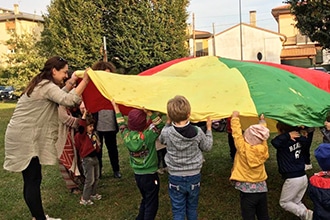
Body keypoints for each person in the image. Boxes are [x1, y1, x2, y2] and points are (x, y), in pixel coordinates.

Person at [3, 56, 90, 220]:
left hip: (21, 135)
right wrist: (84, 81)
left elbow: (59, 96)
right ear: (54, 71)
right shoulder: (46, 86)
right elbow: (68, 100)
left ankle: (38, 216)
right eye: (64, 72)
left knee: (32, 178)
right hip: (24, 137)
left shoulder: (43, 84)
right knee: (33, 179)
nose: (65, 75)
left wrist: (72, 81)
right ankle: (40, 218)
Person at [158, 95, 213, 220]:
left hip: (175, 176)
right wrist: (209, 129)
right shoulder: (198, 131)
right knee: (192, 207)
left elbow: (161, 140)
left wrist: (167, 124)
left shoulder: (166, 132)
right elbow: (207, 147)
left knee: (178, 209)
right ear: (189, 114)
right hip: (194, 175)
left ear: (170, 116)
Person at [111, 99, 165, 220]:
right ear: (144, 123)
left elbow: (121, 124)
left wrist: (116, 108)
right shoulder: (148, 136)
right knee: (152, 203)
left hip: (138, 175)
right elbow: (160, 124)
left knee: (146, 198)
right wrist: (150, 113)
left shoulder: (126, 136)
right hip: (150, 175)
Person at [229, 111, 270, 220]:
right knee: (263, 215)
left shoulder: (242, 148)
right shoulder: (263, 148)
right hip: (261, 188)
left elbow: (236, 135)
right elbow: (263, 136)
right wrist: (262, 121)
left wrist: (235, 118)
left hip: (247, 191)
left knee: (248, 216)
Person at [270, 121, 313, 220]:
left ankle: (306, 214)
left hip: (293, 178)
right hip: (303, 176)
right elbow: (306, 140)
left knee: (284, 202)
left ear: (282, 131)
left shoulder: (284, 142)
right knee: (297, 202)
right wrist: (297, 132)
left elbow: (274, 142)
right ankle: (308, 217)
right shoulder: (300, 139)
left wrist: (287, 135)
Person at [91, 61, 121, 178]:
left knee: (112, 148)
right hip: (97, 124)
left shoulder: (113, 88)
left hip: (110, 124)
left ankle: (116, 170)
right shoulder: (94, 89)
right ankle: (98, 172)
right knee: (97, 149)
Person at [75, 110, 102, 205]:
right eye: (90, 126)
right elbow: (81, 126)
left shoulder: (93, 135)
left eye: (92, 126)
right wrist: (84, 115)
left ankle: (93, 194)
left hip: (95, 157)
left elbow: (96, 144)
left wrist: (98, 146)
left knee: (96, 177)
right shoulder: (81, 136)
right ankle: (85, 198)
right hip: (87, 159)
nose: (92, 128)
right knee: (89, 179)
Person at [56, 103, 83, 195]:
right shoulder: (59, 106)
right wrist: (81, 121)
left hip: (69, 136)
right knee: (66, 161)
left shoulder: (64, 106)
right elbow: (65, 118)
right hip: (62, 138)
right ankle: (72, 186)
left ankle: (77, 179)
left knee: (74, 158)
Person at [308, 116, 330, 219]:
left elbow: (311, 194)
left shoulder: (313, 181)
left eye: (328, 121)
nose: (325, 123)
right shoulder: (326, 131)